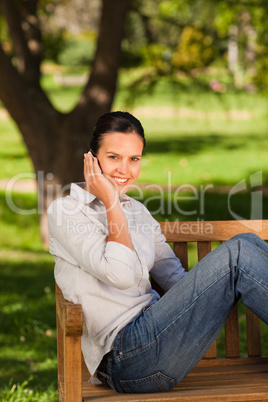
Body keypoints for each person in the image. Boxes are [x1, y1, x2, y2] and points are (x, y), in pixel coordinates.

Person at [47, 111, 268, 394]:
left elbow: (175, 278)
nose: (124, 170)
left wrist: (215, 288)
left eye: (134, 159)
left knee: (246, 243)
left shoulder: (138, 212)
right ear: (91, 158)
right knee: (238, 252)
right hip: (126, 357)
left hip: (161, 337)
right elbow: (121, 274)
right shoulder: (66, 212)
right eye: (113, 157)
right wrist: (112, 203)